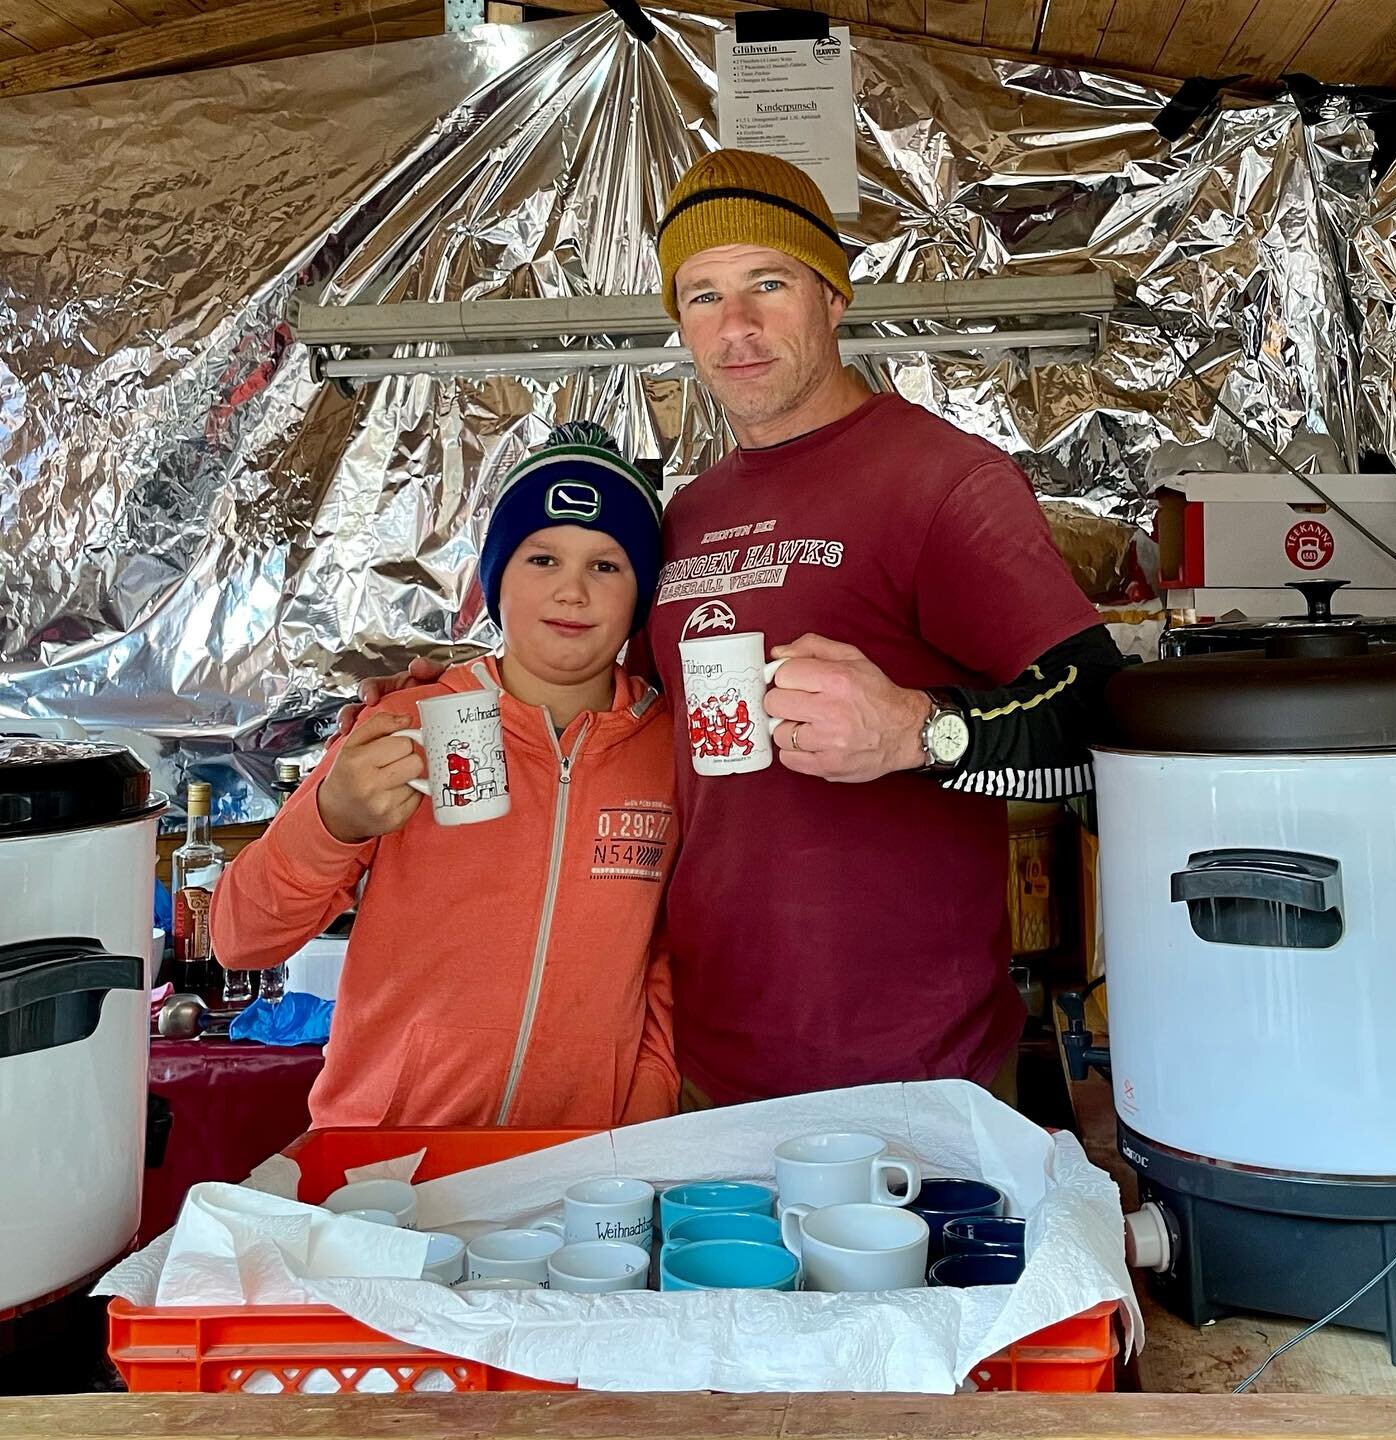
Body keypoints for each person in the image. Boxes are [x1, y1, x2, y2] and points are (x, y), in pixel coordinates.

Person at [352, 149, 1126, 1113]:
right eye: (704, 296)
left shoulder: (942, 483)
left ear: (833, 296)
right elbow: (619, 709)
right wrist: (465, 686)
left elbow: (1106, 716)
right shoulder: (691, 514)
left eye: (770, 282)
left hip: (913, 1070)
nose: (739, 327)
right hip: (699, 1059)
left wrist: (921, 732)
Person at [211, 423, 680, 1129]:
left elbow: (665, 963)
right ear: (496, 579)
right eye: (543, 558)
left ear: (641, 593)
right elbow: (238, 938)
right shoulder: (403, 722)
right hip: (390, 1160)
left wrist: (633, 1130)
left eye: (606, 566)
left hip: (576, 1175)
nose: (573, 592)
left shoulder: (671, 750)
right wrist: (332, 821)